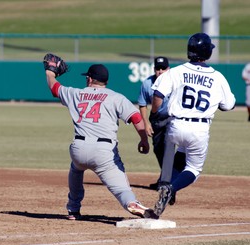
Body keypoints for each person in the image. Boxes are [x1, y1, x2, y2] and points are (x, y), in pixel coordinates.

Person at [43, 55, 158, 220]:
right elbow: (136, 118)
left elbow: (55, 88)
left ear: (89, 79)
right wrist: (144, 140)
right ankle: (131, 203)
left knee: (76, 169)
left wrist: (50, 73)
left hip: (79, 148)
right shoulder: (116, 97)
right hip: (104, 152)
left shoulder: (77, 94)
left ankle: (73, 209)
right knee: (121, 189)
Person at [150, 33, 236, 218]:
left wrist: (154, 113)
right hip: (199, 128)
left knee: (180, 154)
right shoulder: (217, 77)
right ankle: (171, 188)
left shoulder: (176, 71)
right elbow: (228, 105)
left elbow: (157, 95)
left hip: (175, 126)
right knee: (194, 170)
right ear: (207, 52)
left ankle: (166, 186)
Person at [138, 57, 186, 191]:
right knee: (158, 150)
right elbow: (142, 104)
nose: (160, 71)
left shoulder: (175, 81)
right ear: (154, 69)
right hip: (156, 120)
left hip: (172, 119)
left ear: (168, 69)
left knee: (168, 149)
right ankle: (165, 178)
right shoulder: (147, 83)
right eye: (157, 68)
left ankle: (167, 181)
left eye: (163, 68)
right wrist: (146, 123)